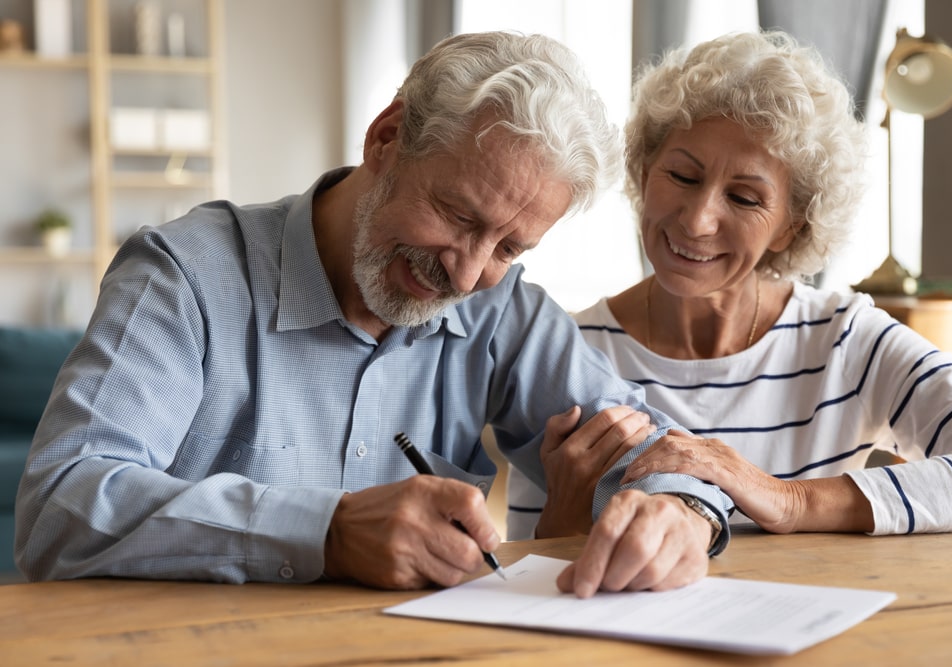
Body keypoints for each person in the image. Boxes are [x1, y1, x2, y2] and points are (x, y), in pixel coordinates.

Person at [15, 31, 734, 597]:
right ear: (386, 137)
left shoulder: (500, 309)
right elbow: (60, 507)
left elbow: (660, 452)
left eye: (509, 245)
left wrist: (682, 513)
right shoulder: (186, 276)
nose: (464, 270)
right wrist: (324, 530)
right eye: (456, 213)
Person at [506, 30, 952, 540]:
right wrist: (565, 523)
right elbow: (522, 582)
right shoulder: (564, 352)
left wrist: (790, 499)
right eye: (681, 176)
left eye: (743, 198)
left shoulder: (846, 341)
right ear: (644, 168)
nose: (698, 221)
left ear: (792, 225)